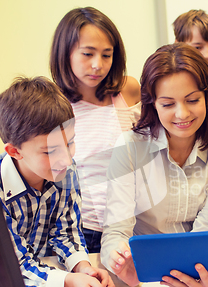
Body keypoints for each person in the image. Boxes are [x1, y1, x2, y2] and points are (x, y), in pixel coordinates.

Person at [0, 76, 115, 287]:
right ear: (15, 151)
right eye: (49, 151)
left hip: (46, 283)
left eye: (70, 142)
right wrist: (72, 281)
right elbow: (14, 265)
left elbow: (66, 233)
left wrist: (83, 268)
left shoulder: (64, 168)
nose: (66, 158)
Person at [100, 43, 208, 287]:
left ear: (207, 97)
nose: (182, 114)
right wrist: (117, 258)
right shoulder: (130, 147)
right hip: (143, 278)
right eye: (168, 104)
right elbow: (116, 230)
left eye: (192, 100)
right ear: (152, 103)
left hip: (198, 272)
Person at [50, 7, 141, 253]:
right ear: (64, 52)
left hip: (131, 222)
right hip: (82, 226)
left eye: (107, 55)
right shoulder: (54, 103)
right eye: (87, 54)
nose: (97, 65)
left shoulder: (128, 90)